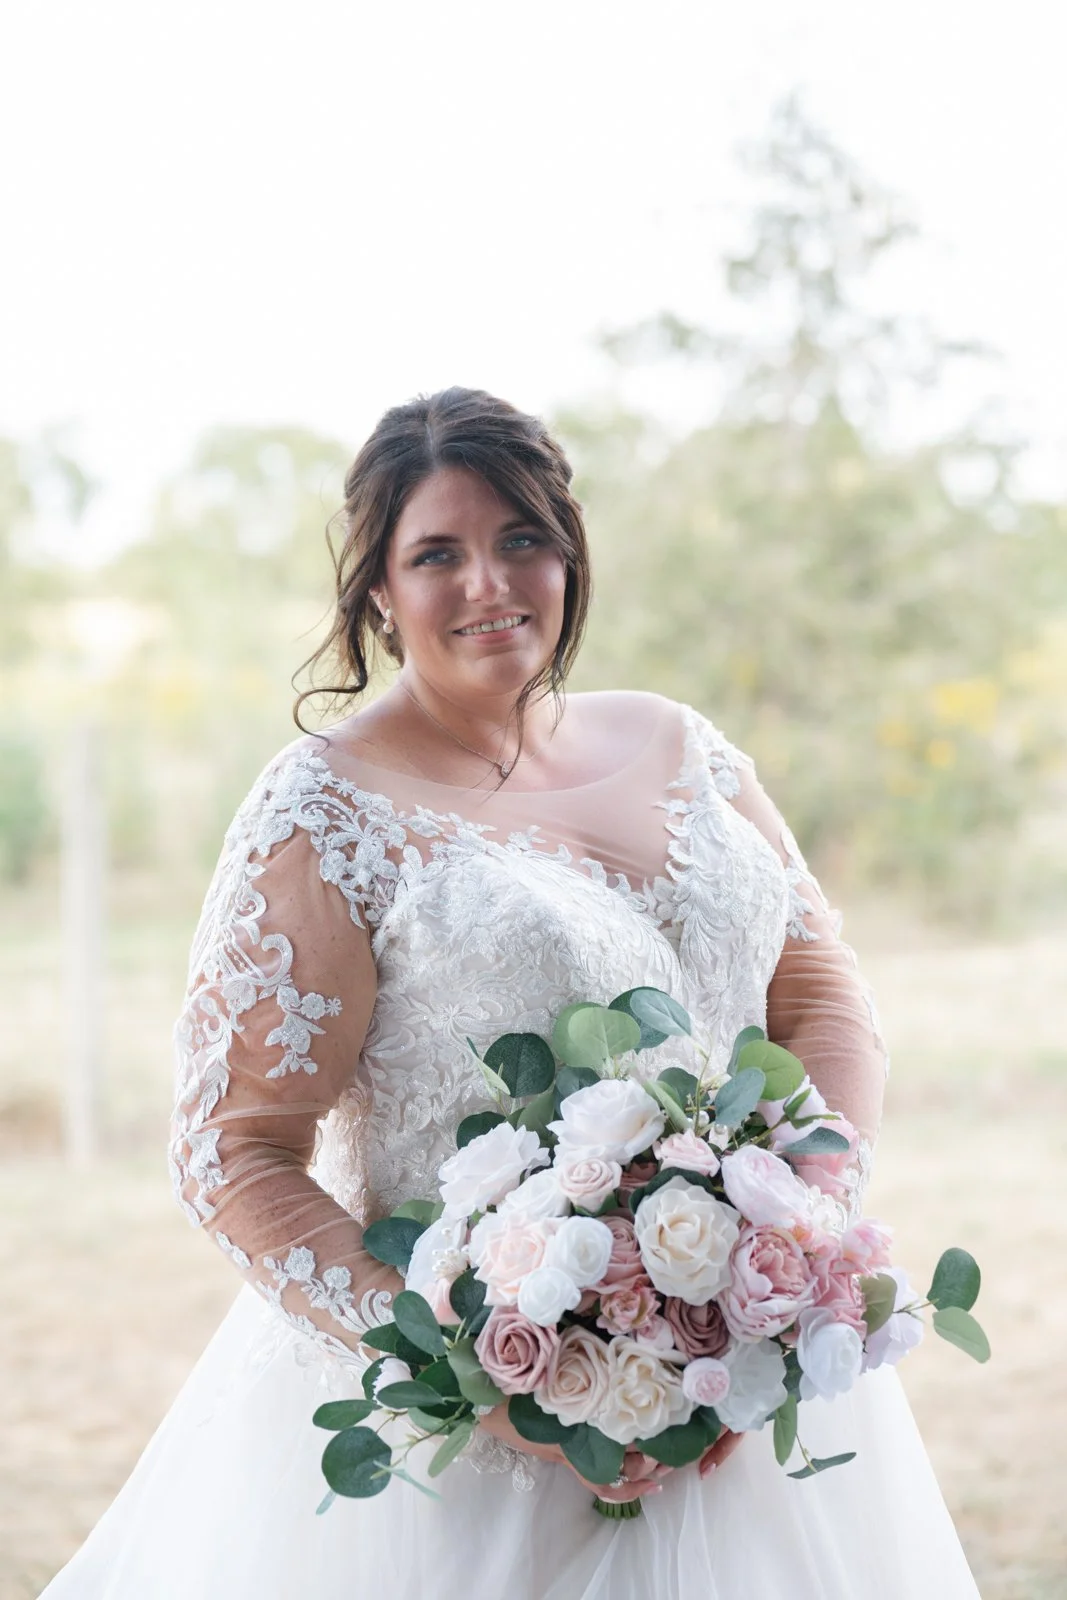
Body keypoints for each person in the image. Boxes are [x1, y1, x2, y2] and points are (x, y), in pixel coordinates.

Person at [40, 386, 980, 1597]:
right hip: (470, 1454)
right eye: (437, 553)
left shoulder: (680, 744)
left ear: (568, 552)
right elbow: (234, 1153)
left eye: (520, 538)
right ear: (379, 590)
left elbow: (820, 1001)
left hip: (749, 1385)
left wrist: (791, 1245)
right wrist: (475, 1378)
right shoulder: (322, 812)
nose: (488, 583)